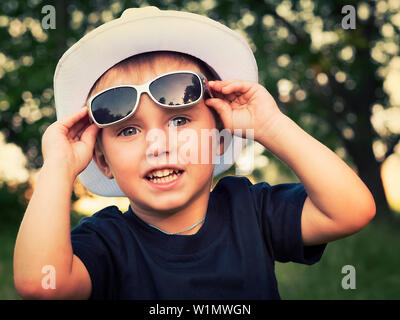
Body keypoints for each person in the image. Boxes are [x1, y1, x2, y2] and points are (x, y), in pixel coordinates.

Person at [13, 6, 376, 300]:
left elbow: (351, 210)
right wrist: (58, 168)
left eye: (179, 120)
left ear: (219, 138)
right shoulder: (107, 243)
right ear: (102, 161)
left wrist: (270, 125)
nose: (158, 145)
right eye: (128, 130)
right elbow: (42, 285)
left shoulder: (251, 211)